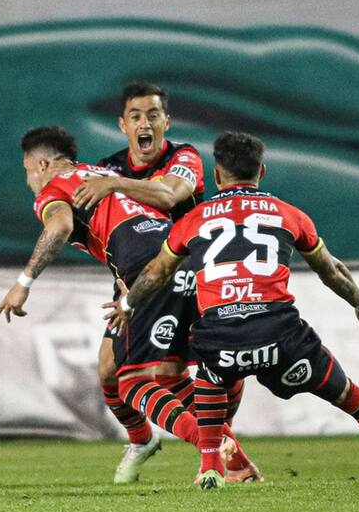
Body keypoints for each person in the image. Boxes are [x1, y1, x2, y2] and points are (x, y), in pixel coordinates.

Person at [105, 131, 359, 490]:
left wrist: (126, 304)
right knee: (351, 398)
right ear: (261, 172)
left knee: (209, 368)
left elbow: (156, 272)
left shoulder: (193, 220)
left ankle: (210, 469)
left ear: (217, 175)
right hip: (280, 336)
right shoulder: (289, 214)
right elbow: (330, 269)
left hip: (222, 341)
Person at [0, 126, 257, 483]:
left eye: (27, 171)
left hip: (145, 270)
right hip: (182, 257)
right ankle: (145, 441)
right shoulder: (106, 174)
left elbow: (58, 228)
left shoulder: (55, 189)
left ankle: (216, 448)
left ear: (41, 164)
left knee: (131, 382)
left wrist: (23, 283)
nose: (29, 181)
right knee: (120, 367)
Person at [71, 82, 250, 483]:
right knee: (108, 369)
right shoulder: (108, 167)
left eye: (153, 115)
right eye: (136, 116)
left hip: (191, 274)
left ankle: (224, 448)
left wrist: (114, 185)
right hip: (141, 282)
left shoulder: (182, 157)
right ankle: (143, 439)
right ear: (122, 124)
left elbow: (171, 196)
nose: (145, 123)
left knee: (186, 372)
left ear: (166, 121)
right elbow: (102, 231)